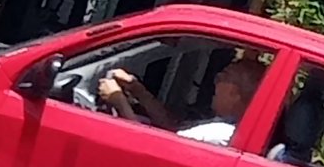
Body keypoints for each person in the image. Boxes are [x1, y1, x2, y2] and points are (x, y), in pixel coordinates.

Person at [97, 58, 266, 147]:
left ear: (235, 93)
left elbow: (156, 150)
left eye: (224, 77)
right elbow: (171, 128)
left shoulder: (220, 134)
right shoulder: (227, 125)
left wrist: (118, 100)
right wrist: (138, 90)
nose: (216, 80)